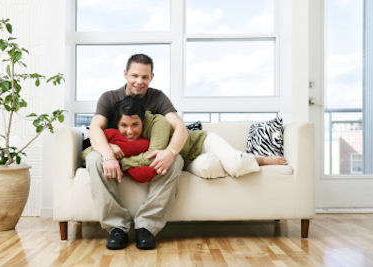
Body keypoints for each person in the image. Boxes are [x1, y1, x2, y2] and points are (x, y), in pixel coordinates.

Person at [86, 54, 189, 250]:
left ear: (151, 77)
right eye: (134, 75)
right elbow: (95, 128)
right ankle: (117, 227)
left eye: (144, 77)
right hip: (117, 152)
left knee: (176, 161)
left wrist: (171, 151)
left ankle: (146, 227)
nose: (139, 82)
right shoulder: (109, 98)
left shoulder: (158, 98)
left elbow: (180, 128)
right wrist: (107, 155)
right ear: (125, 74)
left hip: (148, 154)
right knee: (93, 159)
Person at [105, 96, 287, 182]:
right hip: (188, 160)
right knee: (208, 169)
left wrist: (121, 162)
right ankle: (232, 159)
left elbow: (154, 157)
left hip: (203, 144)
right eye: (124, 126)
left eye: (135, 125)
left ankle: (257, 159)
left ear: (143, 120)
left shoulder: (158, 123)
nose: (129, 131)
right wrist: (108, 150)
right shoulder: (117, 133)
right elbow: (87, 151)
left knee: (237, 166)